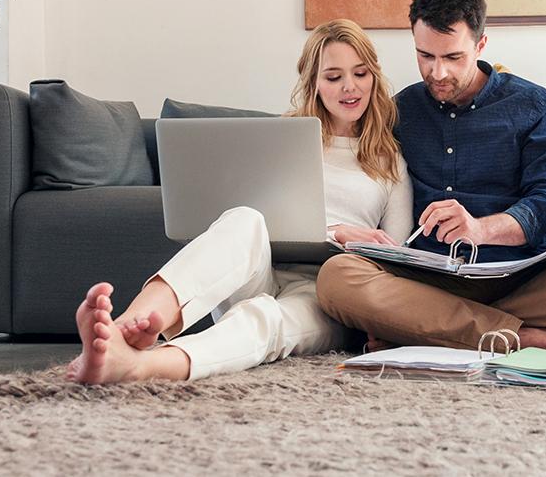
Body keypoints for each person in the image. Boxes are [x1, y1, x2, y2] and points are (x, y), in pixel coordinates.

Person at [316, 0, 546, 358]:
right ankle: (542, 340)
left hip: (522, 279)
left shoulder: (535, 106)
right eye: (425, 56)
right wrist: (334, 230)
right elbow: (353, 167)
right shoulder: (400, 111)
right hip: (428, 284)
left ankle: (426, 332)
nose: (437, 73)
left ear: (481, 44)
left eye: (453, 58)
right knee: (336, 278)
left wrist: (480, 228)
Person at [66, 19, 413, 384]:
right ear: (313, 82)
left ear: (374, 76)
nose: (350, 87)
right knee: (244, 218)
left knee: (264, 319)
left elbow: (398, 256)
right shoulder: (282, 139)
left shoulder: (390, 160)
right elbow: (253, 223)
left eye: (360, 73)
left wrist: (375, 298)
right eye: (333, 77)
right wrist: (334, 229)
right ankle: (129, 327)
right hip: (257, 269)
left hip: (328, 293)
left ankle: (140, 366)